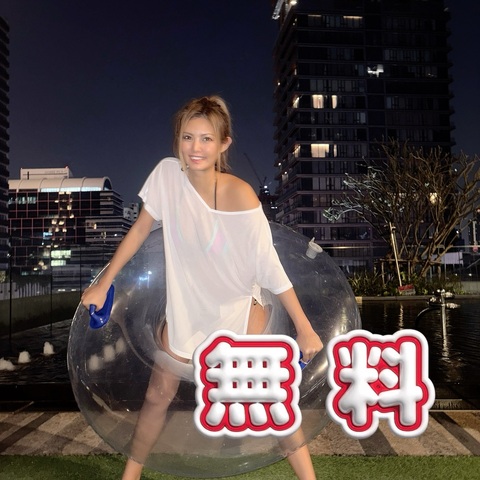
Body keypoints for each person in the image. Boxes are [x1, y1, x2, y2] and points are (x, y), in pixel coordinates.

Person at [81, 95, 323, 480]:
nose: (195, 147)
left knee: (268, 396)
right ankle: (130, 477)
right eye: (188, 137)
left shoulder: (239, 193)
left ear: (224, 144)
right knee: (157, 395)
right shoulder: (166, 176)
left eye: (207, 139)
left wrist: (304, 327)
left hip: (238, 307)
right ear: (177, 139)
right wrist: (104, 282)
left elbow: (267, 264)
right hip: (187, 308)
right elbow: (140, 230)